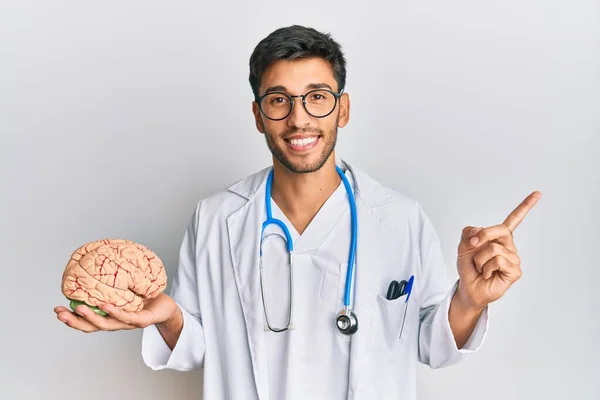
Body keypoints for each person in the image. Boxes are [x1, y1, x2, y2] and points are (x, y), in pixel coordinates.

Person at [54, 25, 541, 400]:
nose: (299, 117)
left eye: (317, 97)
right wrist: (167, 318)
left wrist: (471, 301)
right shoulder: (216, 218)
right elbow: (198, 349)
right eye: (278, 100)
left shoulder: (400, 218)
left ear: (342, 109)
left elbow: (432, 345)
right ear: (258, 115)